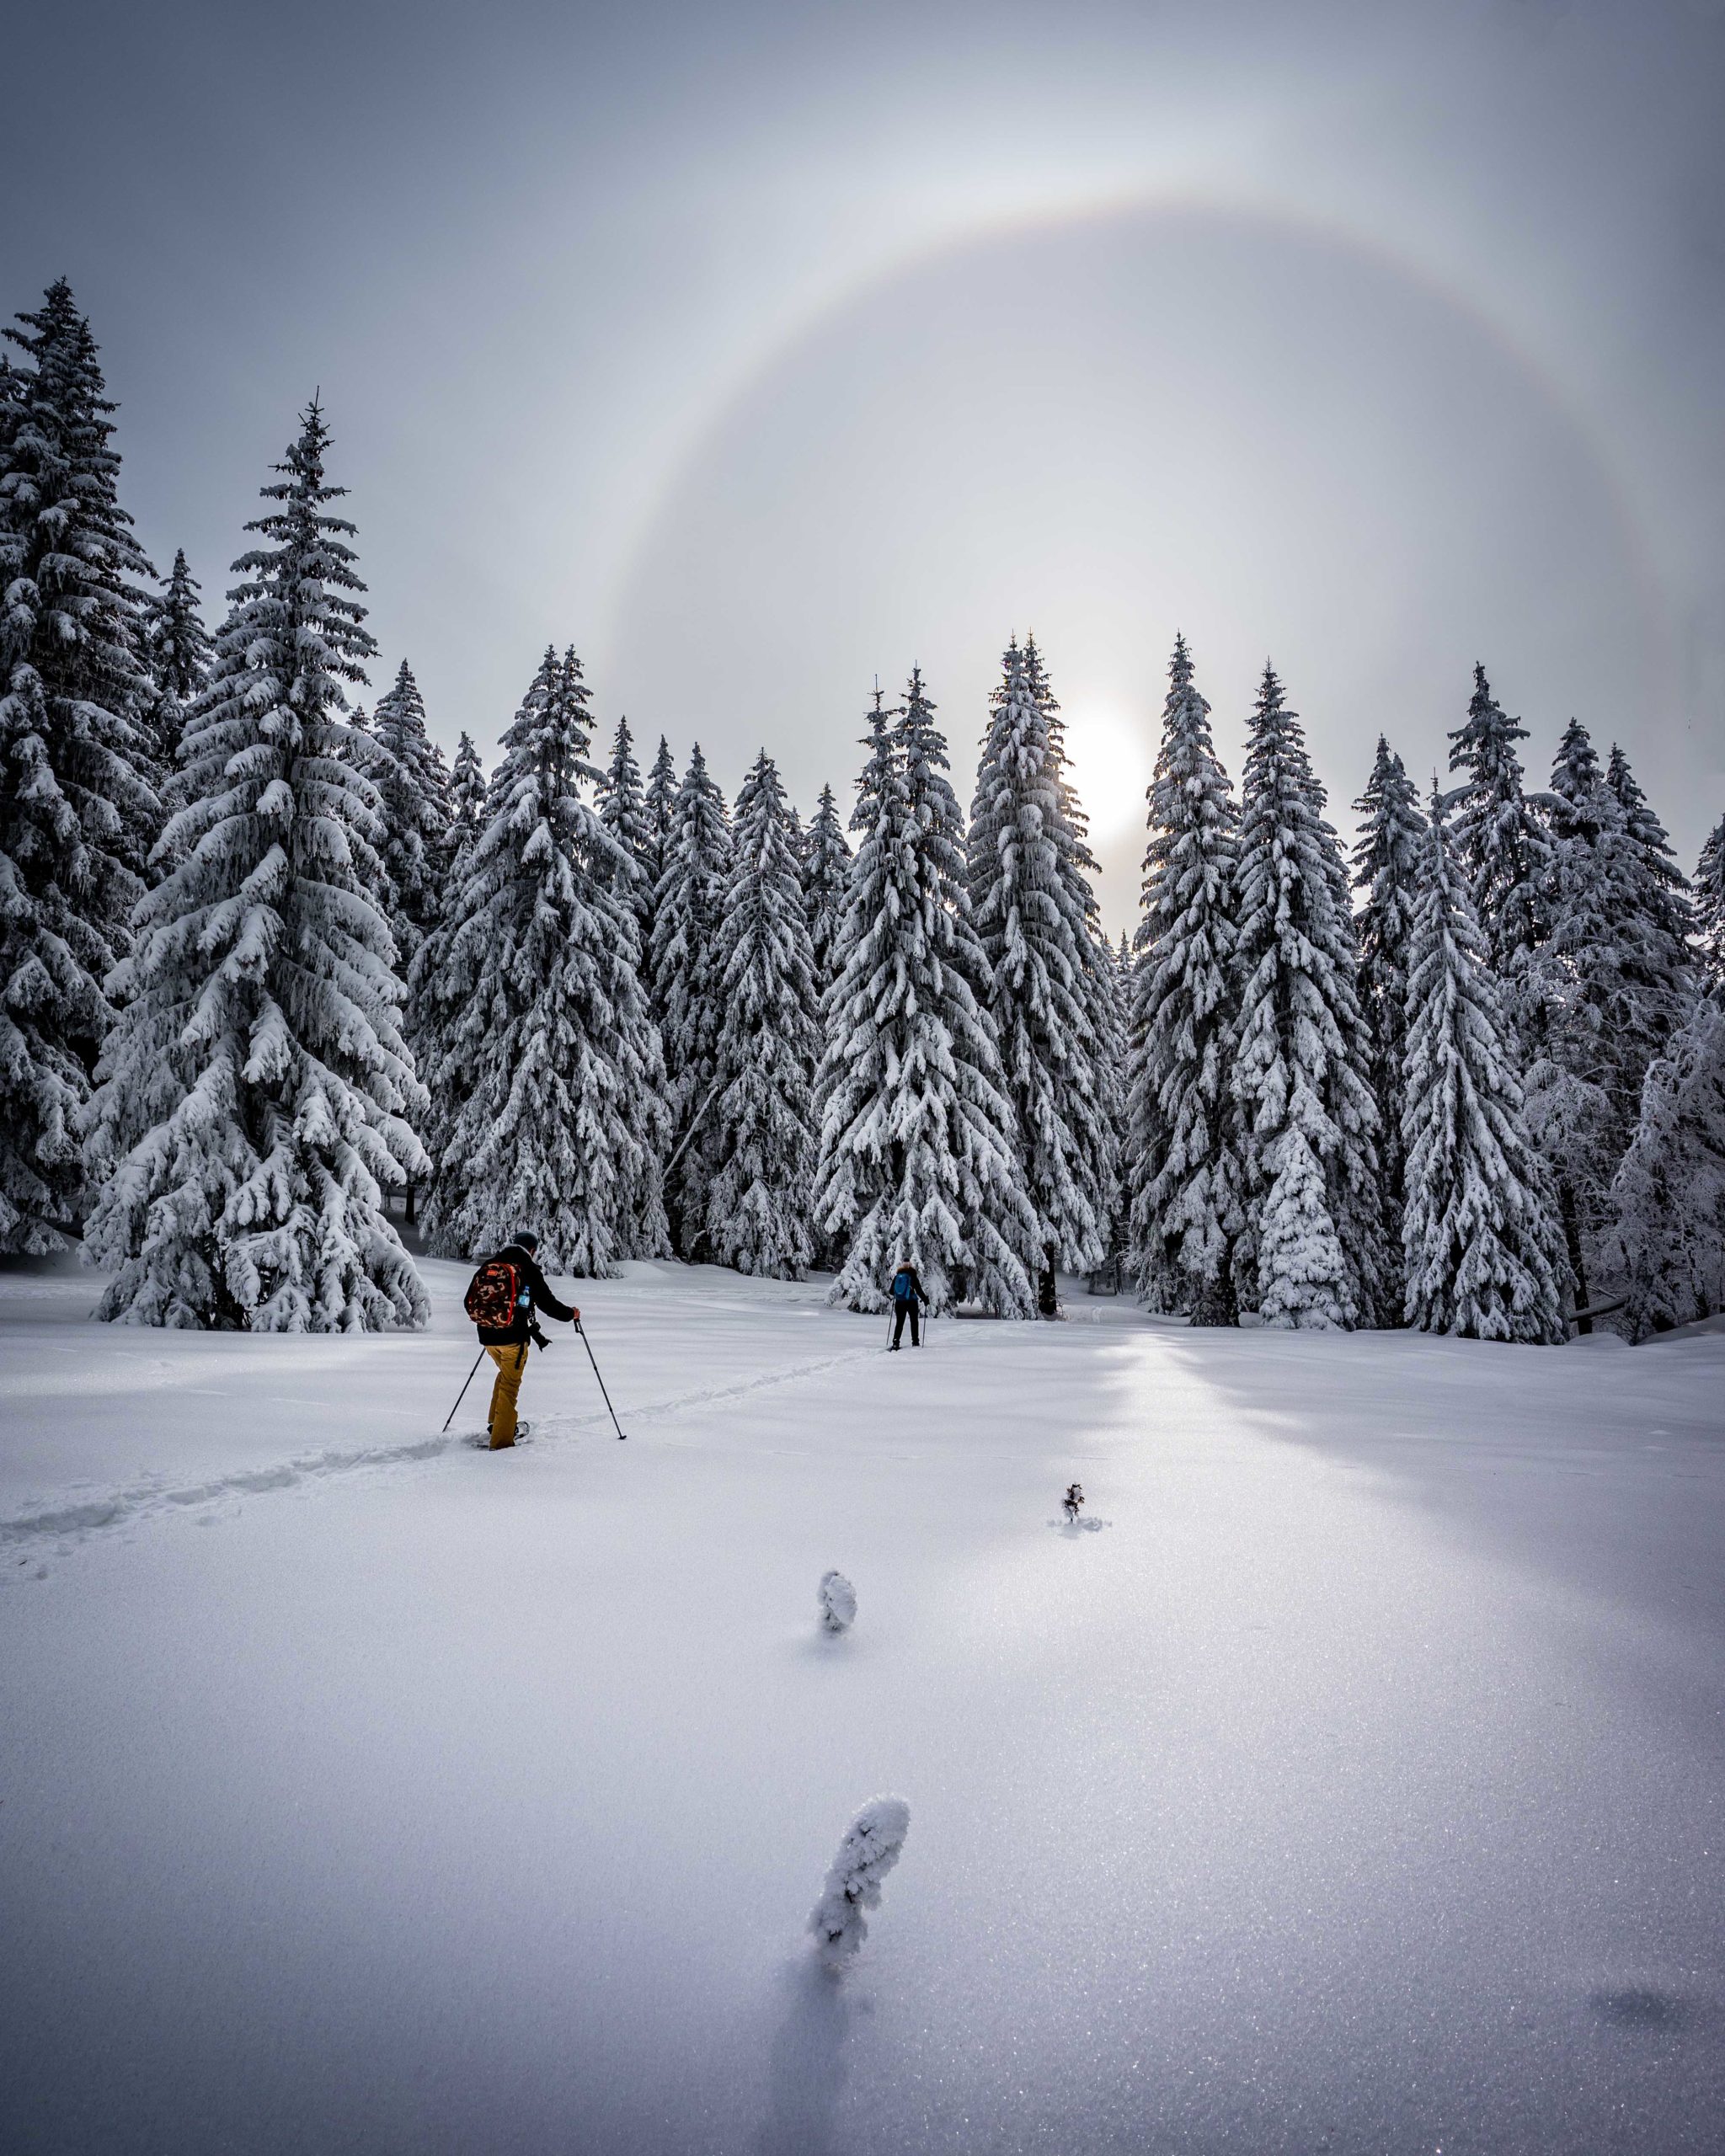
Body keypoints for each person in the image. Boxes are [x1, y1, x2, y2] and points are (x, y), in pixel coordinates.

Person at [474, 1231, 578, 1449]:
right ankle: (502, 1440)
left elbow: (471, 1300)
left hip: (487, 1336)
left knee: (505, 1376)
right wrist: (571, 1314)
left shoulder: (493, 1264)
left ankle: (496, 1423)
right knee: (511, 1384)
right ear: (532, 1250)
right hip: (513, 1338)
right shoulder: (528, 1269)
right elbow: (548, 1304)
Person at [888, 1259, 927, 1349]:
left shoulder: (897, 1276)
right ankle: (915, 1342)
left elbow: (891, 1291)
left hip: (899, 1302)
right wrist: (925, 1300)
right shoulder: (913, 1276)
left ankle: (896, 1342)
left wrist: (899, 1294)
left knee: (899, 1322)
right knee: (914, 1321)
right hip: (911, 1302)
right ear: (911, 1266)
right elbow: (919, 1290)